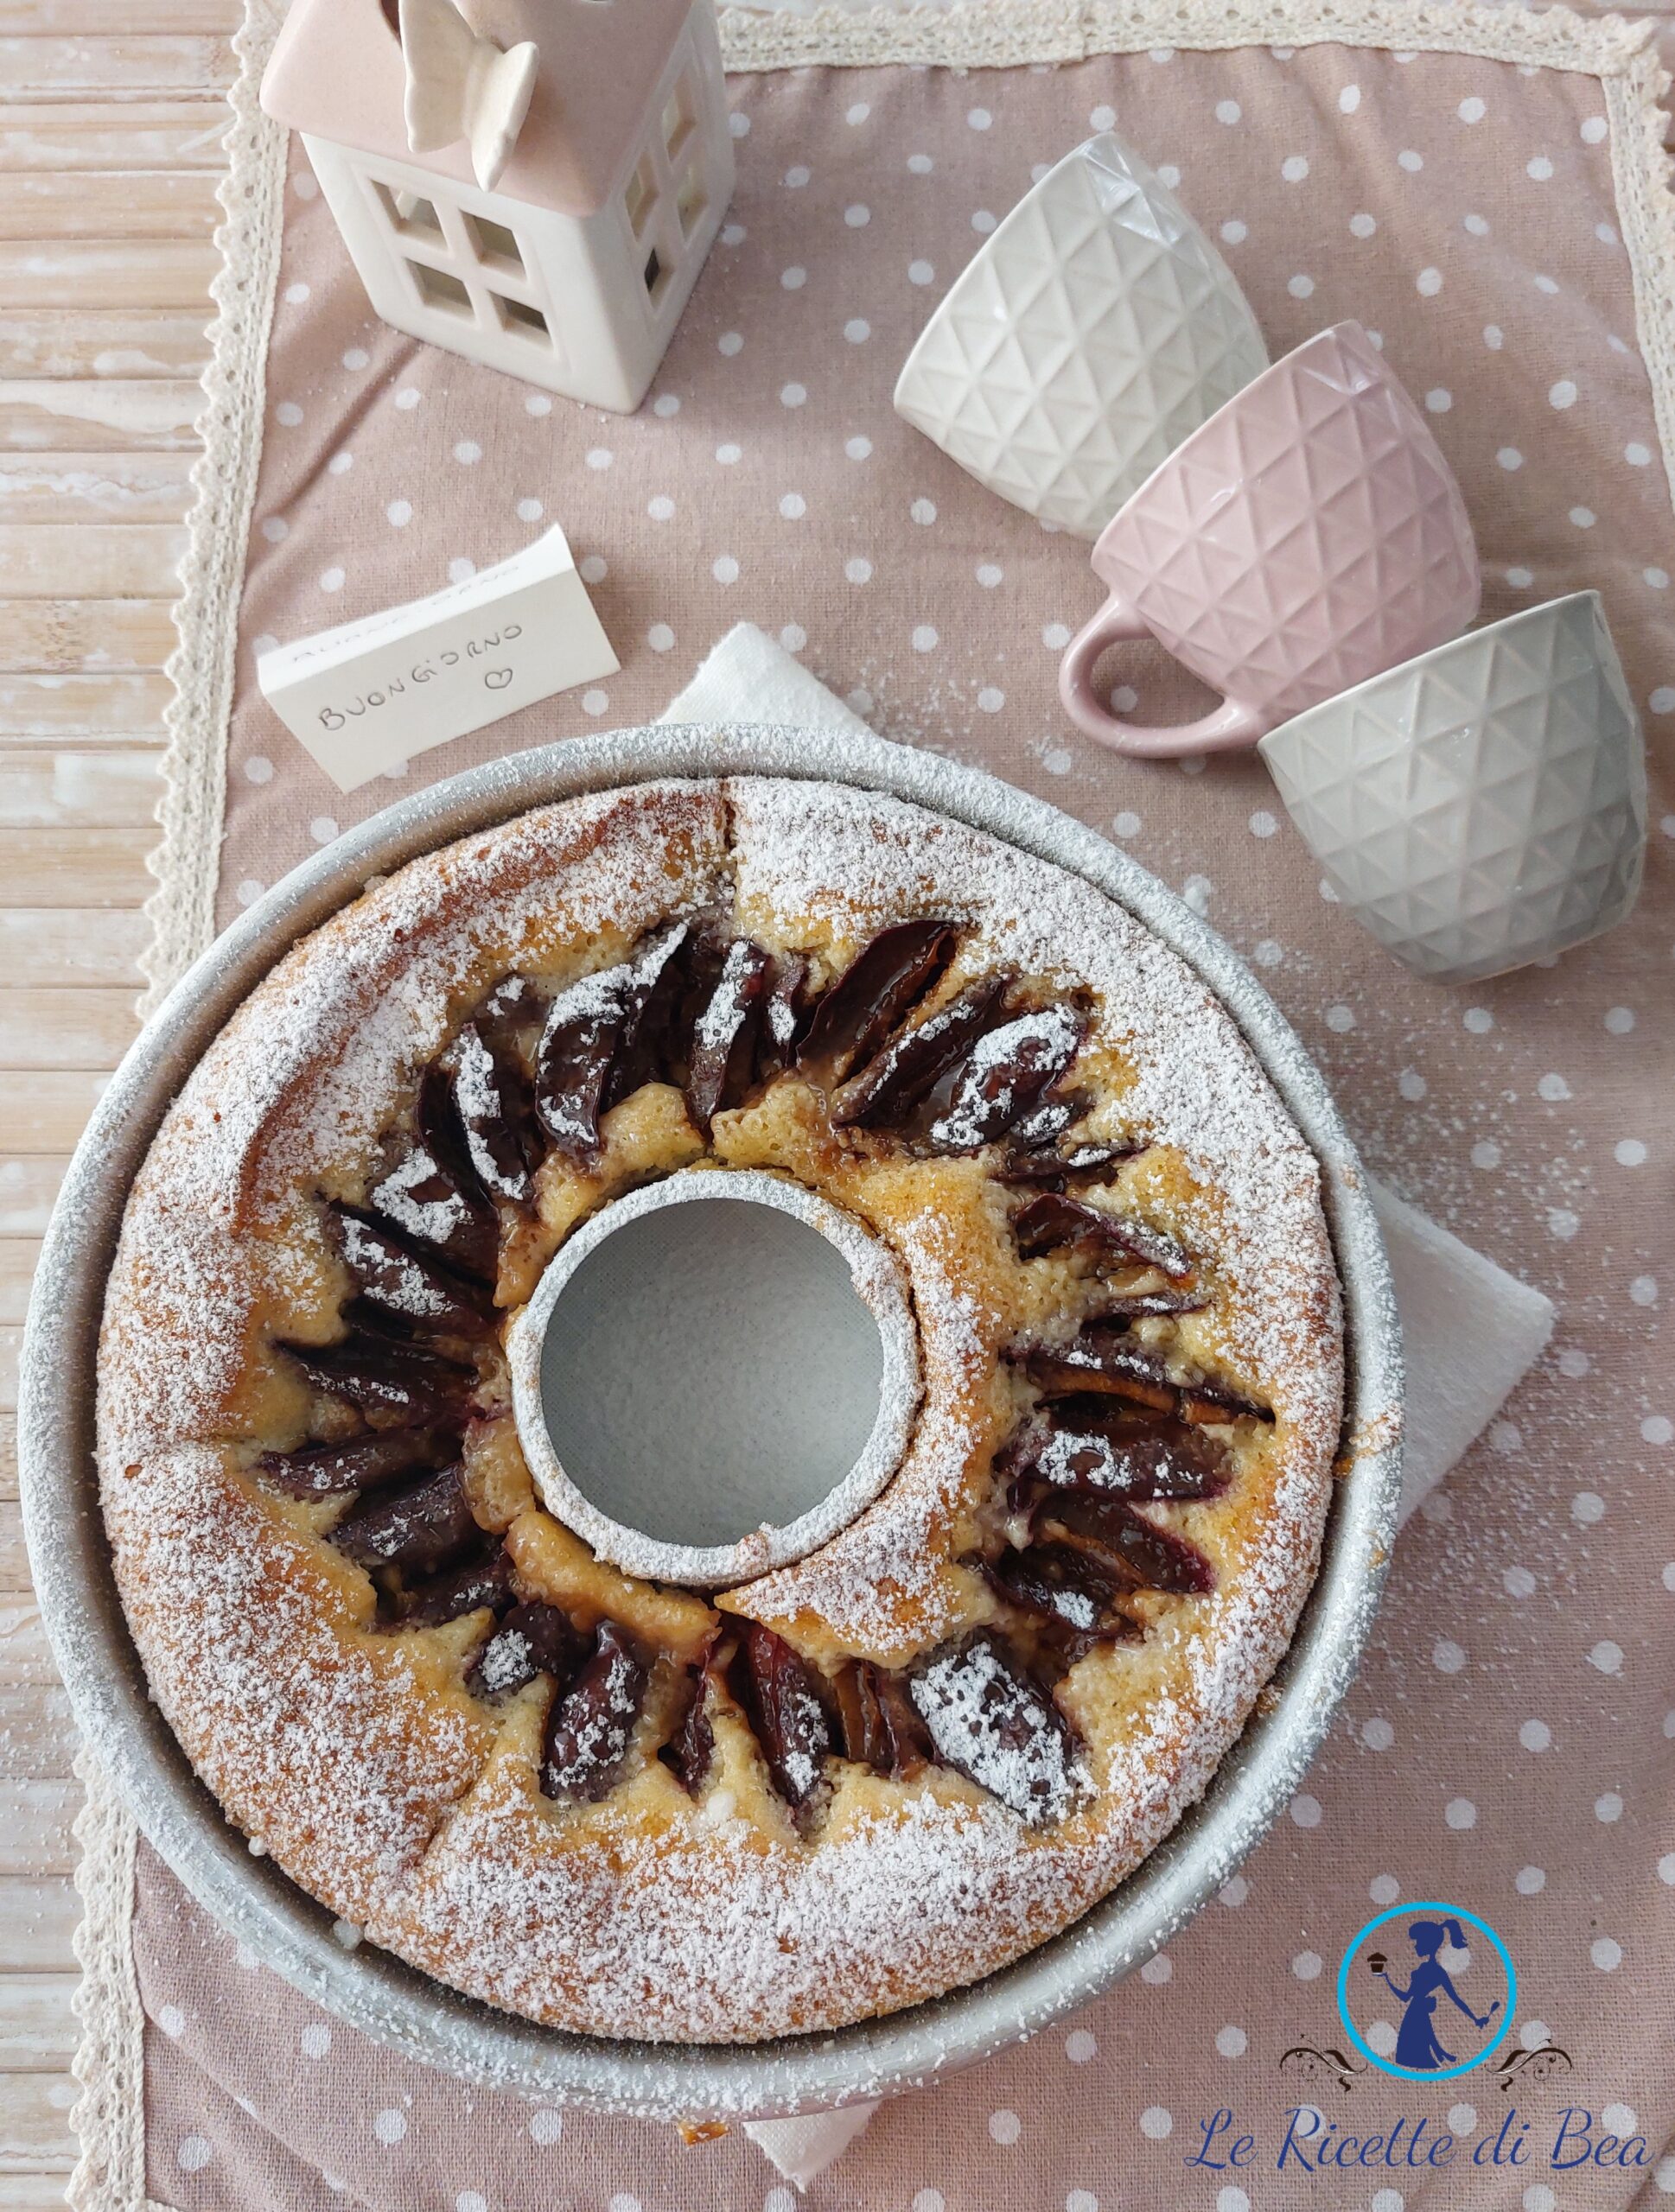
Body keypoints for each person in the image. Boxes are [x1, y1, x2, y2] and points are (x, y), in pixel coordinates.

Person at [1372, 1917, 1499, 2070]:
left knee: (1417, 2053)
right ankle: (1441, 2054)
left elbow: (1455, 1999)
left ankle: (1440, 2055)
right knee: (1420, 2049)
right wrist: (1387, 1979)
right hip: (1414, 2013)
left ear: (1428, 1944)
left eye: (1418, 1942)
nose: (1415, 1946)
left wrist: (1474, 2018)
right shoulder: (1424, 1970)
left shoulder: (1436, 1972)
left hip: (1415, 2014)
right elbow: (1406, 1998)